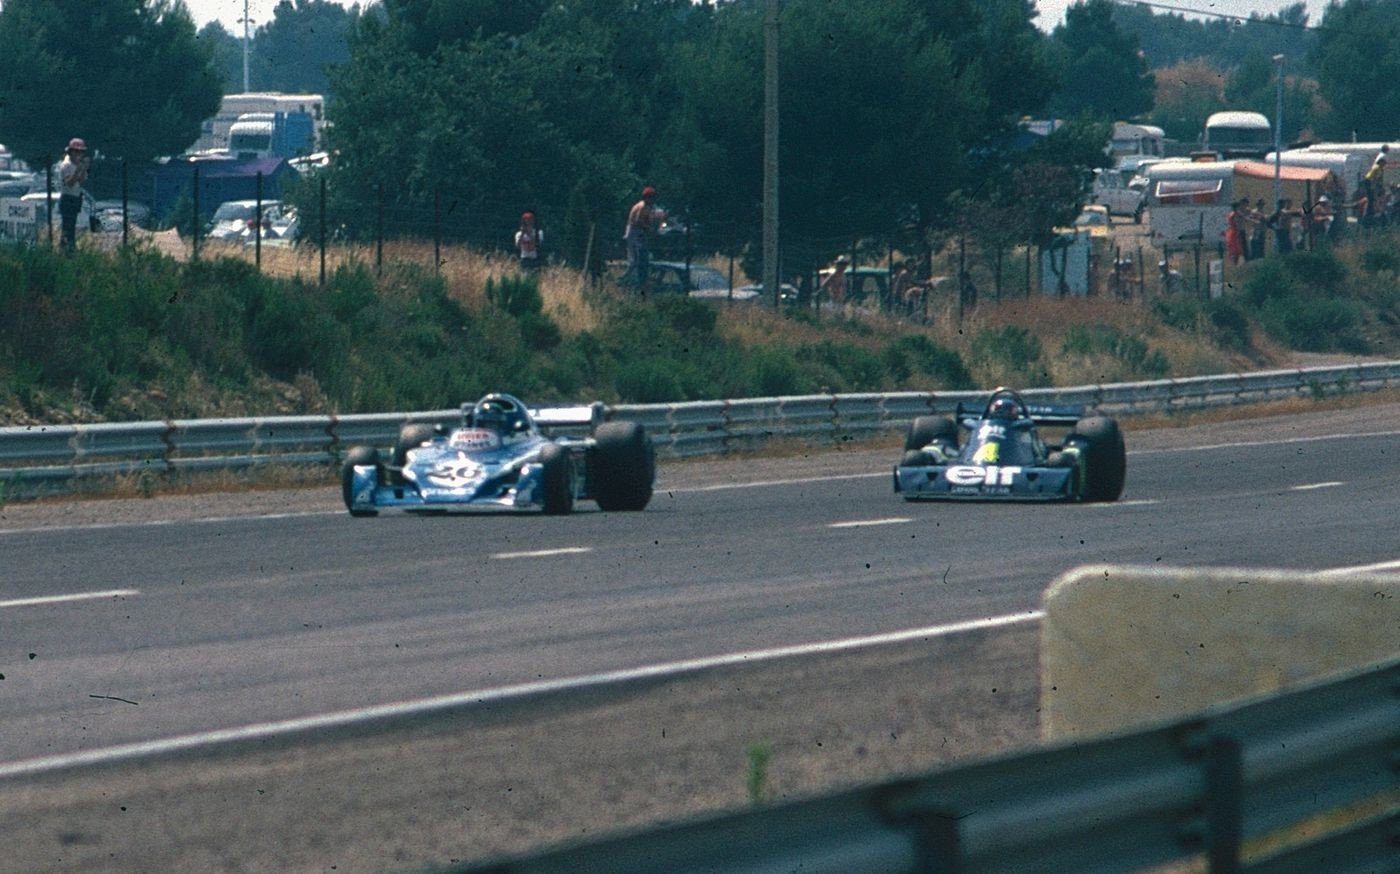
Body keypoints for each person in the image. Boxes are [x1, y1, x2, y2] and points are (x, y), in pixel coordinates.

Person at [623, 186, 662, 292]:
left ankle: (635, 281)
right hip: (634, 233)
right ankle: (627, 281)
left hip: (636, 233)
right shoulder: (642, 206)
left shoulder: (646, 206)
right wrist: (649, 228)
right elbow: (637, 221)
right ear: (647, 197)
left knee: (638, 259)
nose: (654, 200)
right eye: (652, 198)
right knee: (636, 260)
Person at [58, 137, 89, 253]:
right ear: (70, 152)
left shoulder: (77, 165)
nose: (78, 155)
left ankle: (70, 248)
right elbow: (70, 183)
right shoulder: (66, 165)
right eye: (76, 152)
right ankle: (66, 249)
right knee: (67, 226)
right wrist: (77, 171)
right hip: (68, 198)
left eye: (81, 152)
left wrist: (83, 169)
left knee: (72, 225)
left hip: (75, 197)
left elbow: (80, 182)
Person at [1224, 199, 1246, 265]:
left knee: (1235, 248)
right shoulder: (1235, 214)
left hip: (1233, 231)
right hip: (1234, 232)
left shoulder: (1231, 214)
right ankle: (1235, 262)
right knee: (1236, 248)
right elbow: (1237, 222)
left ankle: (1235, 262)